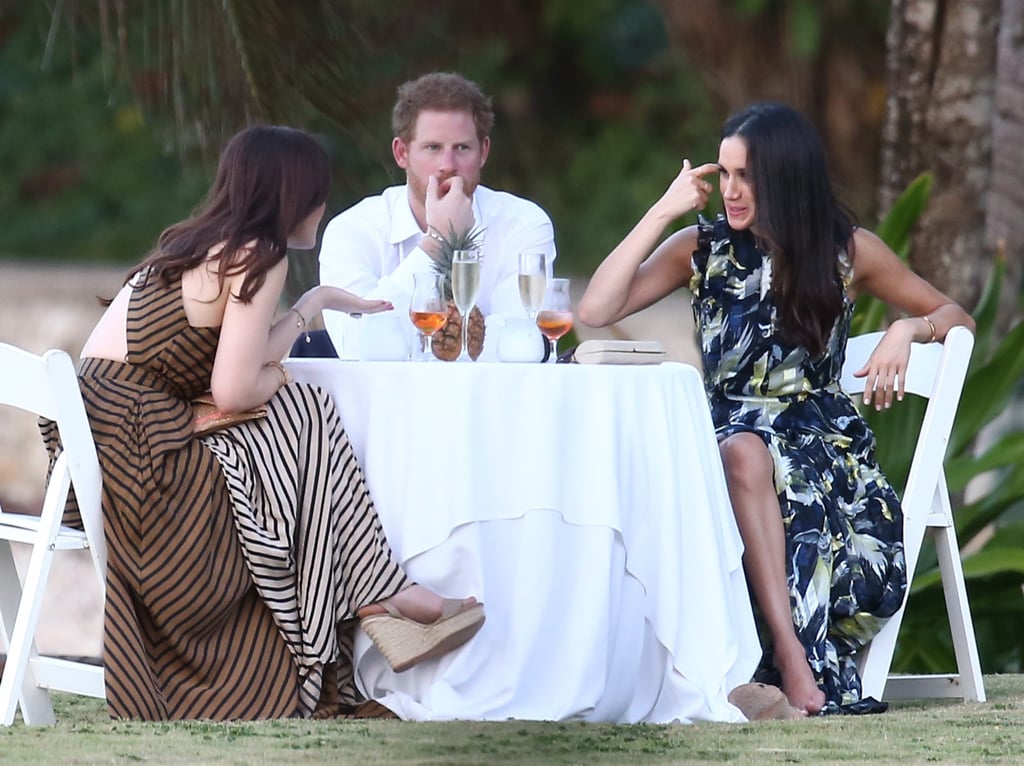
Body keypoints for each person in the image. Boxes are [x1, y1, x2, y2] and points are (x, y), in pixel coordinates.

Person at [44, 125, 485, 721]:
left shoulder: (200, 243)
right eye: (319, 194)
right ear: (294, 195)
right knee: (302, 406)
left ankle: (385, 597)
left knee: (301, 412)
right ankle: (383, 596)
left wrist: (318, 303)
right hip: (149, 470)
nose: (323, 208)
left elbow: (233, 364)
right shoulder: (260, 254)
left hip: (108, 446)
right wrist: (280, 378)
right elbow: (235, 386)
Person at [577, 102, 975, 716]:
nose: (731, 192)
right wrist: (663, 210)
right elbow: (597, 309)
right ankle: (789, 655)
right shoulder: (700, 248)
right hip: (726, 432)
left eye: (746, 177)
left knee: (751, 457)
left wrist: (908, 329)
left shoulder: (848, 251)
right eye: (725, 174)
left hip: (820, 451)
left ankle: (785, 658)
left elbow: (958, 318)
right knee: (738, 452)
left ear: (786, 178)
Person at [318, 72, 556, 357]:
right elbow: (355, 346)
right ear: (401, 153)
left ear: (483, 152)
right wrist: (436, 243)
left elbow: (520, 346)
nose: (448, 165)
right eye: (433, 148)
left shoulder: (523, 224)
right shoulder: (353, 229)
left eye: (462, 148)